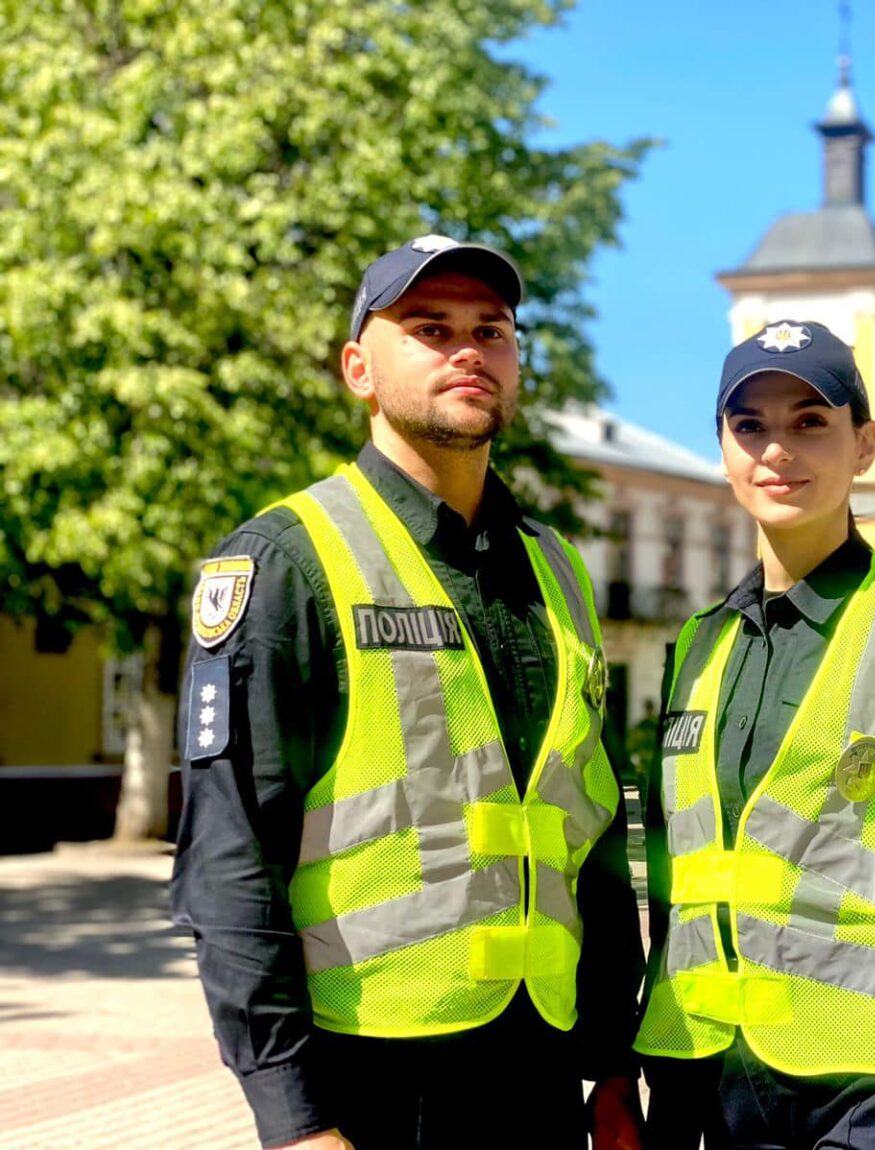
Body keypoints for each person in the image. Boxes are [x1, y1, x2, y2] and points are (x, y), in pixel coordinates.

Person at [170, 235, 644, 1150]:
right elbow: (231, 863)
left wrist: (615, 1063)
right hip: (375, 1085)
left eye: (492, 330)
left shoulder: (557, 571)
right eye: (430, 328)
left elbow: (585, 836)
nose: (469, 350)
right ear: (359, 367)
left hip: (542, 1074)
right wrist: (293, 1117)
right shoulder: (286, 560)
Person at [636, 321, 875, 1149]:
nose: (778, 449)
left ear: (865, 445)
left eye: (810, 420)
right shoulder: (700, 645)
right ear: (723, 448)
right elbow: (683, 894)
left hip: (873, 1095)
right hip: (709, 1087)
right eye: (751, 425)